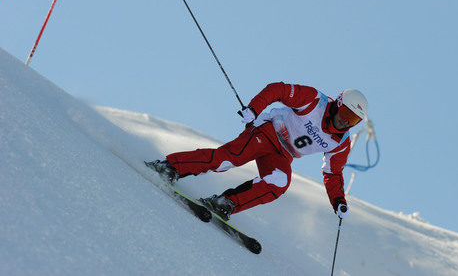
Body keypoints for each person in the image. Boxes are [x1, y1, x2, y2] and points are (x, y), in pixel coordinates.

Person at [148, 82, 368, 221]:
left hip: (283, 154)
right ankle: (169, 166)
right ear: (338, 104)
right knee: (229, 159)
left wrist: (338, 200)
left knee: (279, 182)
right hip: (269, 131)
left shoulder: (340, 143)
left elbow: (333, 173)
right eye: (346, 115)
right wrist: (254, 108)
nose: (346, 123)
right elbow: (278, 90)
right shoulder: (313, 101)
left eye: (354, 121)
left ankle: (225, 203)